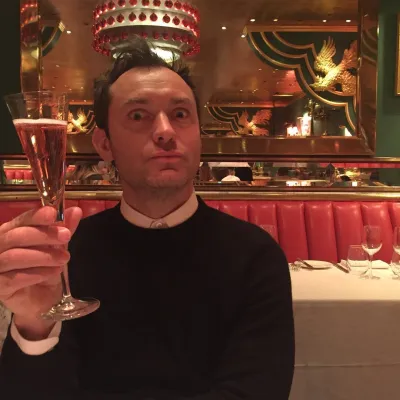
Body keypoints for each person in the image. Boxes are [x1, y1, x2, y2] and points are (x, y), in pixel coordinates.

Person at [0, 37, 294, 399]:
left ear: (199, 136)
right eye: (138, 115)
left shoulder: (255, 255)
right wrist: (34, 324)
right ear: (104, 144)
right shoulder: (66, 254)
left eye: (180, 114)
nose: (166, 131)